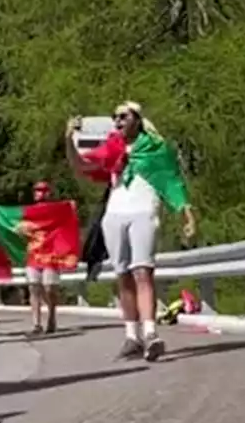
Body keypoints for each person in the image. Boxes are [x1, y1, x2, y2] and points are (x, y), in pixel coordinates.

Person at [67, 101, 196, 362]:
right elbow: (81, 166)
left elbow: (172, 182)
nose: (117, 120)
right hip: (114, 216)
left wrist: (187, 215)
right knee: (122, 275)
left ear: (137, 119)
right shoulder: (112, 149)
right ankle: (131, 336)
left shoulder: (156, 149)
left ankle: (150, 333)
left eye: (123, 116)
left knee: (142, 272)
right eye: (114, 116)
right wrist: (68, 138)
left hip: (144, 213)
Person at [23, 181, 61, 335]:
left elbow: (66, 226)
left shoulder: (56, 211)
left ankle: (52, 316)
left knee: (49, 287)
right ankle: (36, 324)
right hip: (34, 254)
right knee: (33, 287)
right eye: (38, 190)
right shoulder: (29, 211)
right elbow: (21, 227)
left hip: (51, 255)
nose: (41, 193)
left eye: (44, 190)